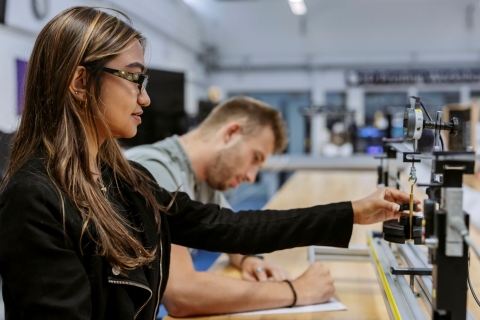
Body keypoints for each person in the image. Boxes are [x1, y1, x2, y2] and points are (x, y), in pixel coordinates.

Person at [0, 6, 420, 320]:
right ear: (79, 81)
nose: (144, 98)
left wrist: (352, 212)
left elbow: (229, 227)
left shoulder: (123, 180)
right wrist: (293, 291)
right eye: (133, 79)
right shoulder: (35, 199)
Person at [125, 96, 339, 317]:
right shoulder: (154, 171)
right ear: (230, 134)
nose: (251, 176)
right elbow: (181, 294)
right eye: (255, 158)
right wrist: (296, 291)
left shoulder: (204, 180)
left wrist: (249, 260)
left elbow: (233, 238)